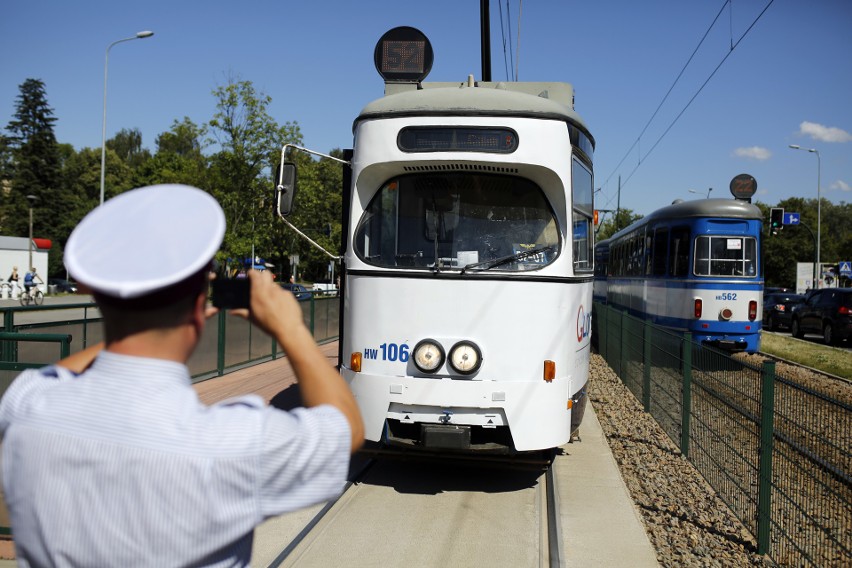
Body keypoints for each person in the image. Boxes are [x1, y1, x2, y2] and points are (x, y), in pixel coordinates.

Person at [0, 184, 364, 567]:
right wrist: (292, 329)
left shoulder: (28, 404)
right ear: (197, 306)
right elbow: (346, 427)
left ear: (98, 295)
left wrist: (136, 326)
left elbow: (54, 376)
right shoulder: (232, 443)